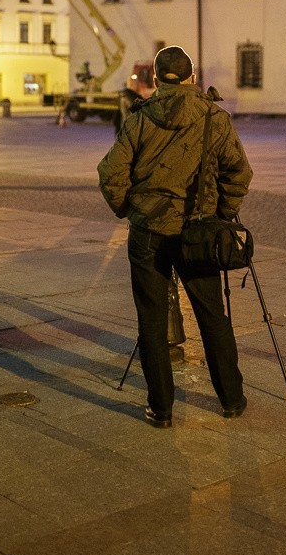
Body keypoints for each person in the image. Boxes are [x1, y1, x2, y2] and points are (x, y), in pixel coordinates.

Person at [98, 45, 253, 429]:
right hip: (198, 233)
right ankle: (231, 399)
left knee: (151, 322)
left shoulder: (140, 117)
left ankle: (162, 408)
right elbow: (239, 173)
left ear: (154, 80)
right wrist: (221, 214)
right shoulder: (214, 118)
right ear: (192, 78)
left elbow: (110, 174)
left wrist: (129, 209)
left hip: (149, 232)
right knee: (212, 316)